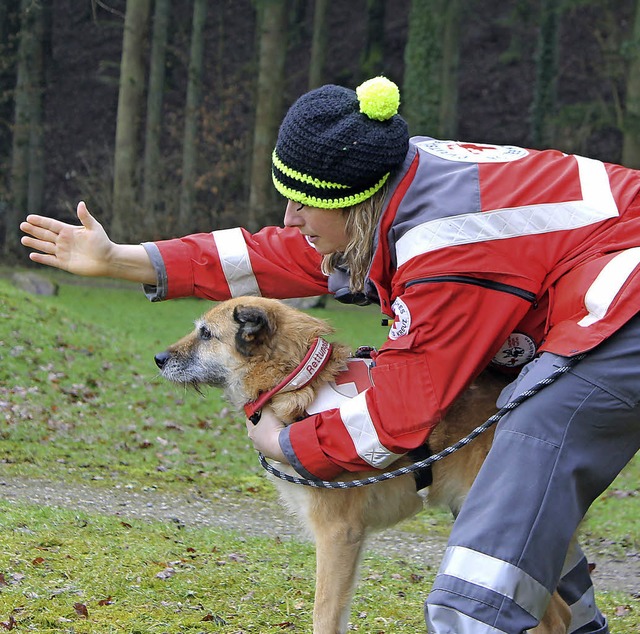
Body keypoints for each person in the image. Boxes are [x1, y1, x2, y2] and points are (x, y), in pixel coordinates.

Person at [20, 76, 640, 634]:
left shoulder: (440, 246)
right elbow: (284, 252)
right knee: (526, 492)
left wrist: (285, 446)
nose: (291, 218)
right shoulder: (398, 177)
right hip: (607, 288)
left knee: (521, 462)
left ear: (354, 202)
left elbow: (398, 415)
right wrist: (125, 260)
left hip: (623, 309)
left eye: (302, 204)